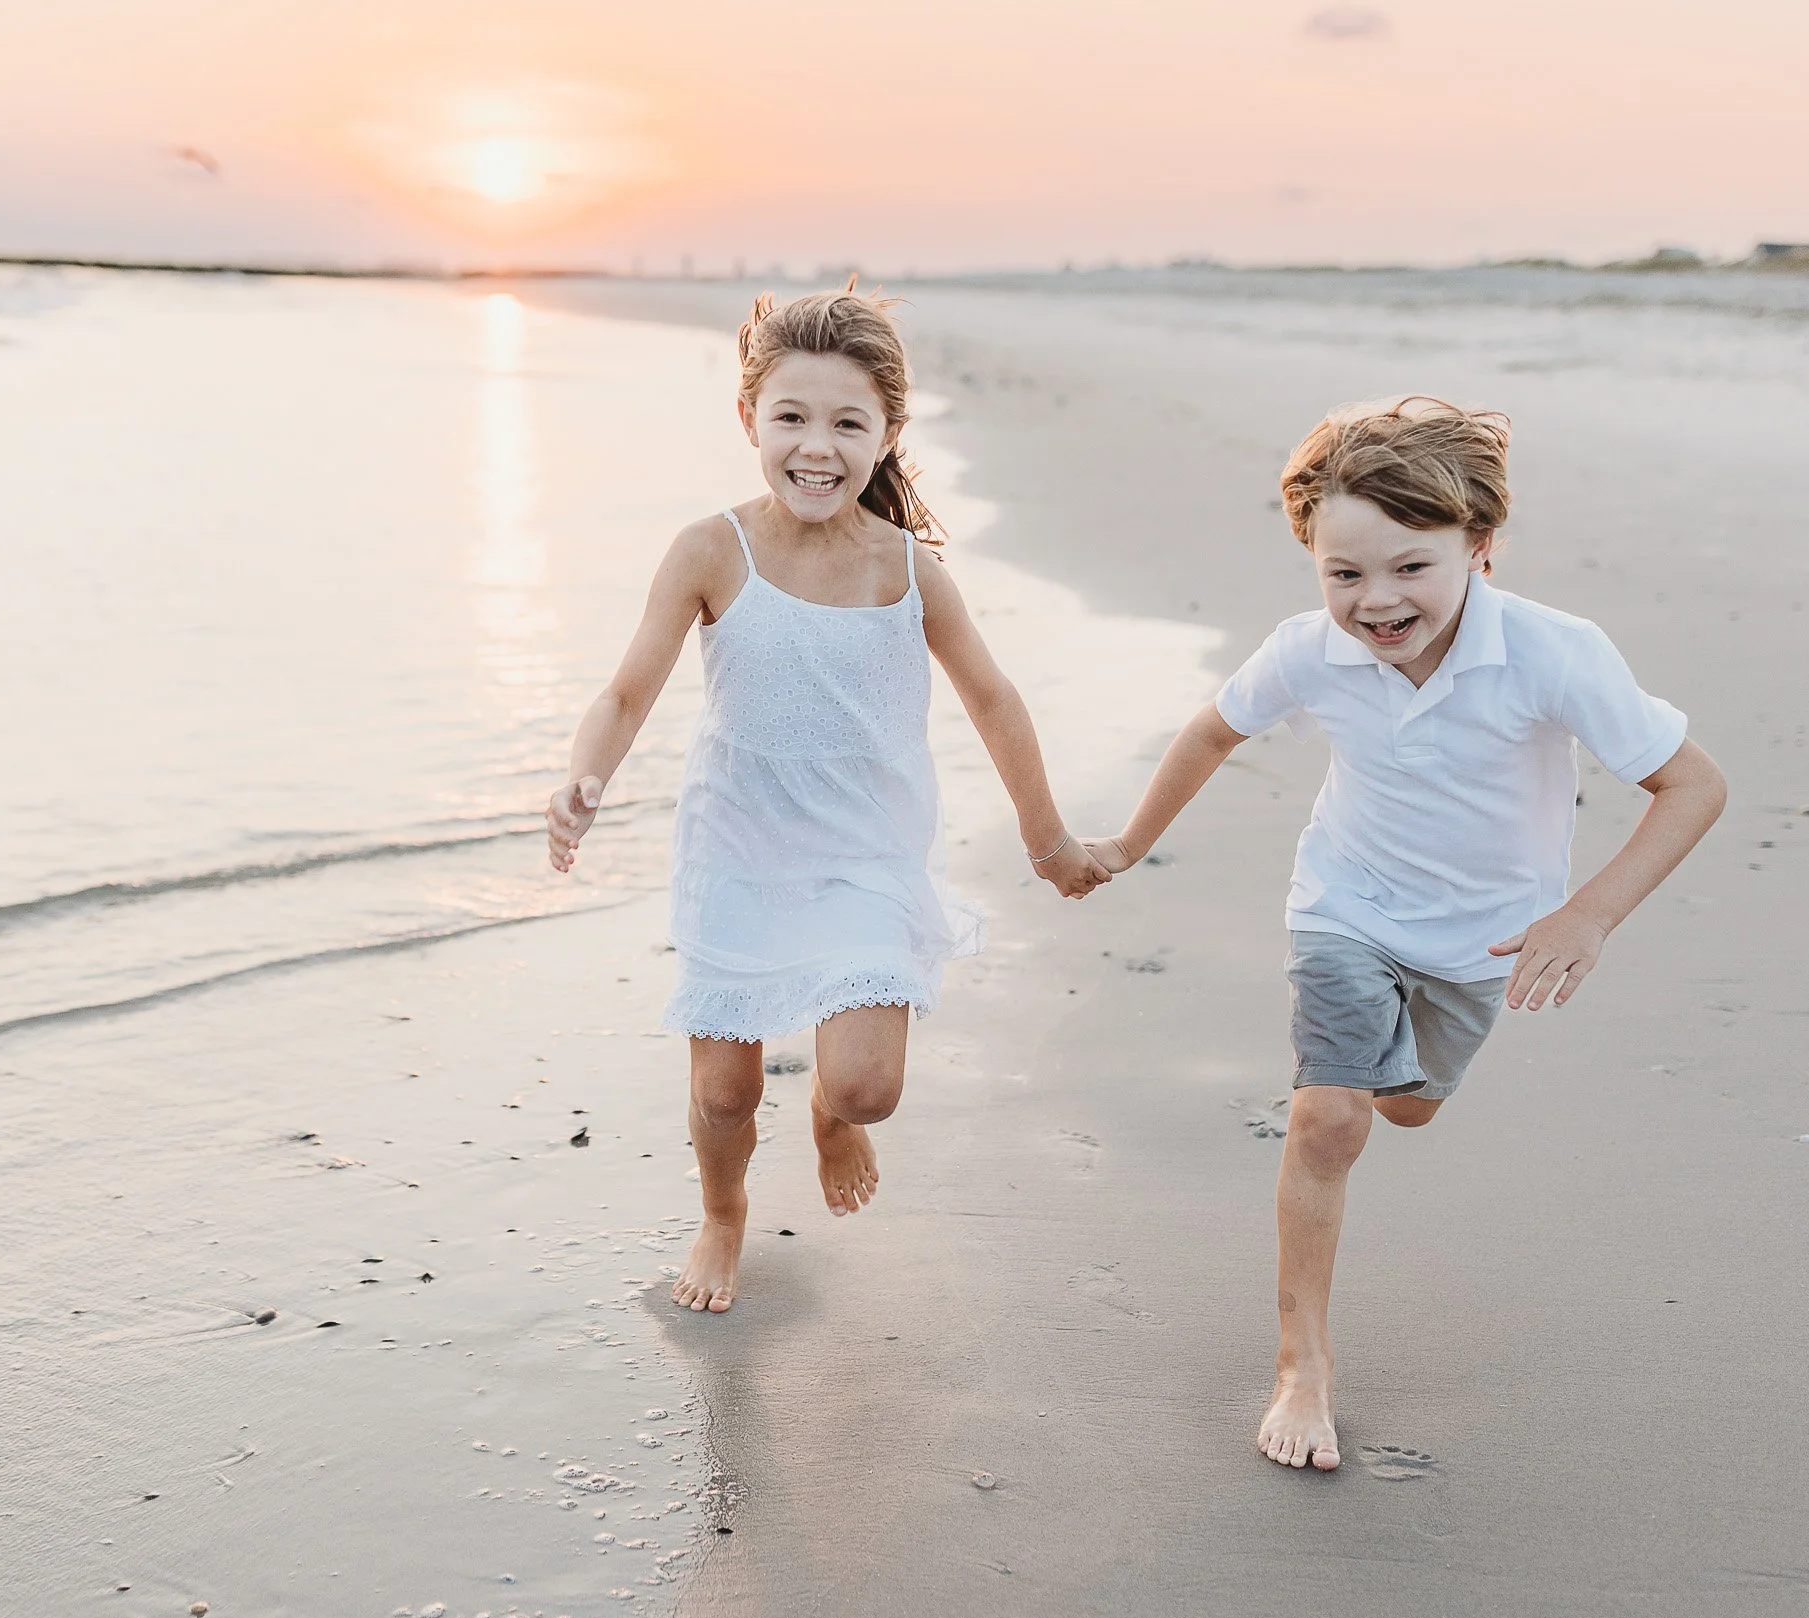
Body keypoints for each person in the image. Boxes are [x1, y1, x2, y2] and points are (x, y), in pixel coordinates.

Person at [1087, 397, 1726, 1469]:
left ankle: (1389, 1080)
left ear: (1479, 546)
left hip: (1483, 942)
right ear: (1314, 564)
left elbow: (1692, 784)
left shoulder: (1552, 653)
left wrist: (1587, 913)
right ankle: (1303, 1363)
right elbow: (1211, 729)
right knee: (1329, 1121)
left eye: (1410, 568)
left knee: (1411, 1110)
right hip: (1347, 903)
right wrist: (1129, 841)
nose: (1376, 602)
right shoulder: (1305, 655)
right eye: (1344, 575)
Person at [547, 288, 1110, 1314]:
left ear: (889, 433)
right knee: (723, 1090)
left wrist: (1049, 841)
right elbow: (628, 686)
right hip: (738, 845)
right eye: (792, 418)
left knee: (865, 1085)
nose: (818, 446)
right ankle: (723, 1214)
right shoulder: (710, 549)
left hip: (865, 852)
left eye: (849, 423)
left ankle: (829, 1117)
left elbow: (994, 698)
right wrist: (587, 775)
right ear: (749, 419)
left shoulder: (905, 570)